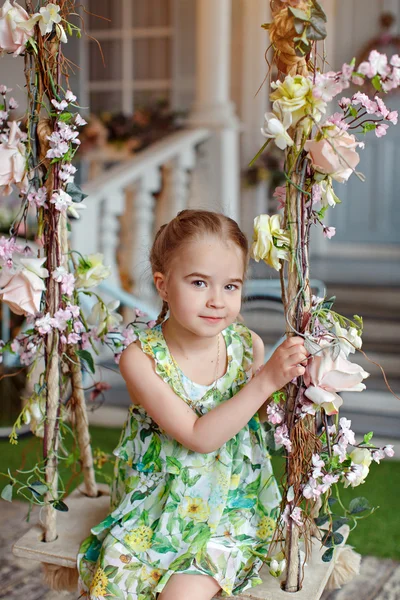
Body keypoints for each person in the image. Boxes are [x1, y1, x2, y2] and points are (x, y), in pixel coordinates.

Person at [77, 209, 308, 600]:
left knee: (179, 595)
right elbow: (198, 437)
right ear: (163, 286)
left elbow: (248, 423)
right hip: (157, 503)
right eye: (199, 282)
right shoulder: (142, 359)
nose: (217, 301)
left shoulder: (246, 345)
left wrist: (283, 384)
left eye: (231, 286)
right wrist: (266, 382)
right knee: (114, 584)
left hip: (232, 502)